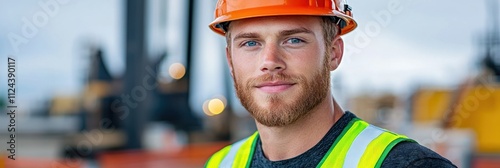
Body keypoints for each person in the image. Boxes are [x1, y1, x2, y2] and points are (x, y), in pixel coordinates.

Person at [205, 0, 457, 167]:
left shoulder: (405, 164)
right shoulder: (221, 163)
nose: (270, 62)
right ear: (230, 59)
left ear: (334, 52)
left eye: (293, 40)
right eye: (250, 43)